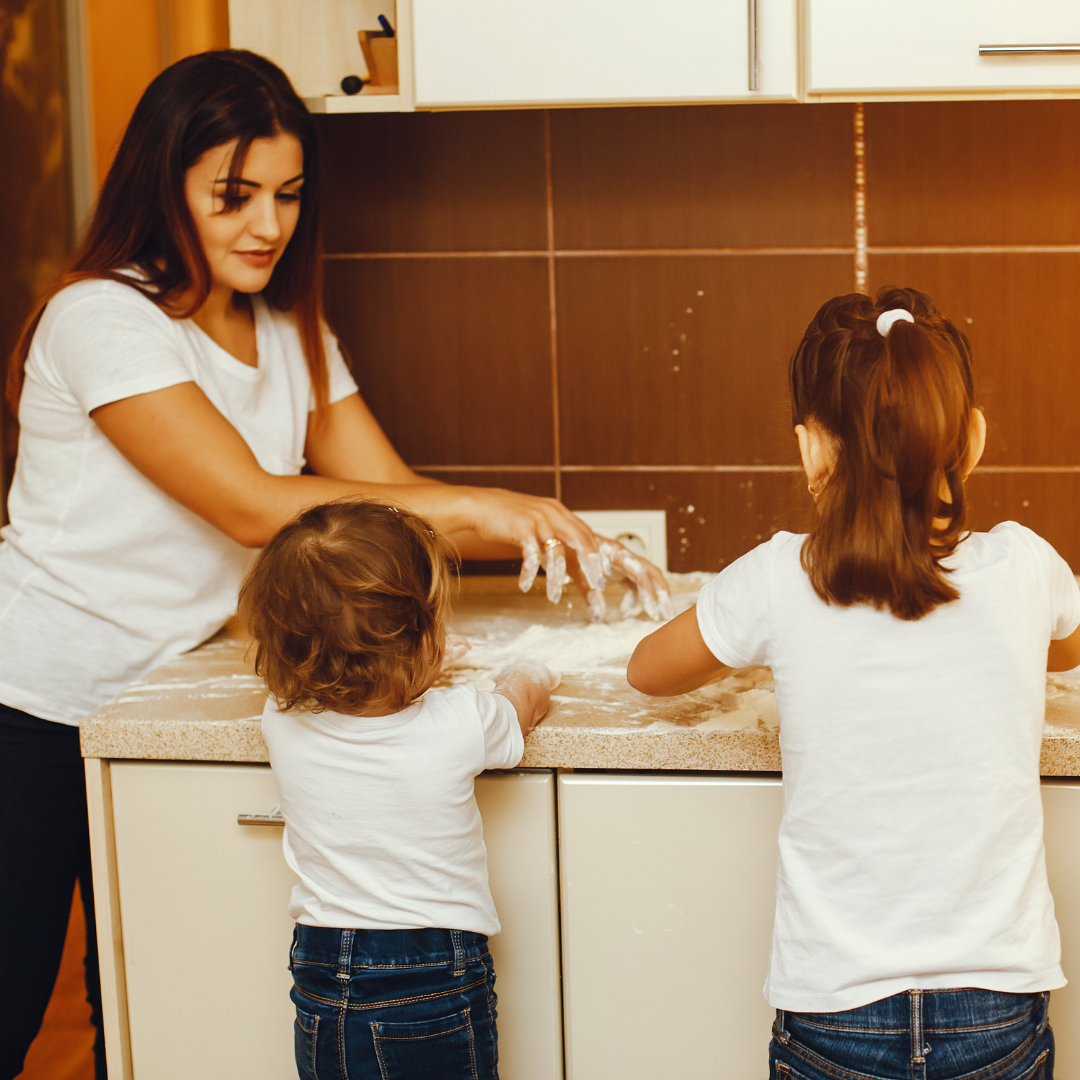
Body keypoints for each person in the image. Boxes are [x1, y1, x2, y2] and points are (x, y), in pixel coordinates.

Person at [0, 48, 668, 1078]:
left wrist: (572, 539)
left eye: (288, 195)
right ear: (160, 183)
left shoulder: (290, 333)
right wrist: (493, 504)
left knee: (132, 1009)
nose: (268, 224)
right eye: (233, 195)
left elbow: (391, 510)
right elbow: (254, 503)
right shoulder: (102, 317)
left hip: (159, 707)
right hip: (34, 705)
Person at [628, 287, 1080, 1079]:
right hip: (997, 1003)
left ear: (811, 449)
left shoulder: (779, 578)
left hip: (834, 1010)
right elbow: (1068, 651)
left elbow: (648, 671)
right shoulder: (1025, 567)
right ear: (969, 439)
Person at [237, 498, 554, 1079]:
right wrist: (529, 672)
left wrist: (410, 659)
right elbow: (520, 703)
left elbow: (339, 668)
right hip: (432, 979)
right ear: (420, 640)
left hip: (320, 974)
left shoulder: (281, 720)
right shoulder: (460, 722)